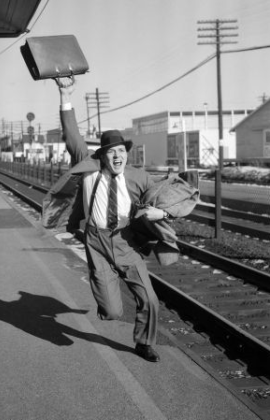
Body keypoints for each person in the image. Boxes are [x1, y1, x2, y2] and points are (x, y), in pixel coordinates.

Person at [42, 77, 182, 363]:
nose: (117, 156)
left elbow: (170, 195)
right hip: (97, 242)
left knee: (150, 300)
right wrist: (65, 95)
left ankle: (144, 343)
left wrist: (163, 213)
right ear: (102, 155)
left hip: (126, 242)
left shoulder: (138, 176)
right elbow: (72, 136)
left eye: (121, 151)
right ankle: (108, 300)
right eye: (111, 151)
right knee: (112, 311)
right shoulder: (88, 168)